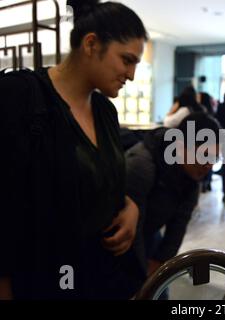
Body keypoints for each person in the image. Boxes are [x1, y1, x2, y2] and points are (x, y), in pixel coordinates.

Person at [0, 0, 147, 299]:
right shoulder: (21, 98)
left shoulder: (105, 111)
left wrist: (129, 207)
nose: (130, 75)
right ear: (91, 44)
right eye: (126, 60)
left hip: (101, 279)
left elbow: (96, 179)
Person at [125, 113, 222, 279]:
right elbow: (132, 230)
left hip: (149, 233)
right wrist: (144, 274)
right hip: (121, 239)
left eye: (214, 158)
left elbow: (179, 224)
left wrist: (160, 262)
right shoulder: (142, 165)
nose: (209, 165)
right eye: (204, 155)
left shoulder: (192, 174)